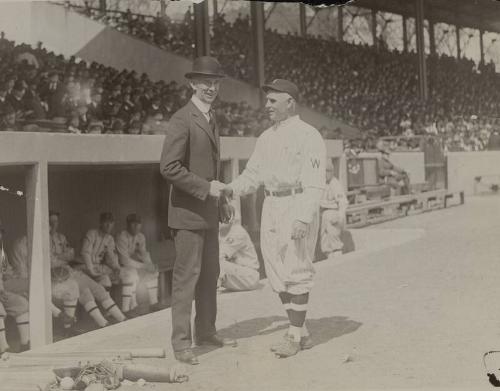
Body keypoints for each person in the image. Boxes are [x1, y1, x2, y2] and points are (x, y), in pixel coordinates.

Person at [221, 79, 326, 358]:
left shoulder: (309, 135)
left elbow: (315, 182)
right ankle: (301, 332)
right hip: (271, 204)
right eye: (267, 101)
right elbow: (252, 175)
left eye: (272, 101)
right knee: (277, 273)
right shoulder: (266, 137)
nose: (266, 106)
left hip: (296, 202)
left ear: (289, 102)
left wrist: (303, 218)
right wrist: (230, 188)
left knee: (297, 269)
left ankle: (293, 336)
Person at [160, 56, 237, 365]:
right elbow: (169, 167)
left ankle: (205, 331)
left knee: (209, 275)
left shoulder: (211, 117)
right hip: (187, 215)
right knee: (186, 279)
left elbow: (211, 167)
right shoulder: (182, 118)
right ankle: (181, 343)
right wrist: (206, 189)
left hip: (207, 211)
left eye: (216, 82)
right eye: (205, 82)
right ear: (192, 83)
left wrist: (220, 198)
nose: (211, 87)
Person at [50, 211, 125, 328]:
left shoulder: (61, 237)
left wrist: (59, 257)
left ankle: (107, 322)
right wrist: (62, 257)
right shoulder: (41, 239)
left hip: (68, 270)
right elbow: (50, 261)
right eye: (50, 221)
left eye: (55, 221)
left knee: (89, 290)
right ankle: (117, 319)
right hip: (55, 275)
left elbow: (70, 254)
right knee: (91, 288)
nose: (53, 224)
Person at [7, 235, 79, 333]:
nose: (49, 228)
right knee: (34, 287)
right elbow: (21, 273)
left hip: (43, 281)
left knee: (72, 285)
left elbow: (53, 261)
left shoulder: (46, 240)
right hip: (27, 282)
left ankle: (68, 327)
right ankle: (58, 314)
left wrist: (59, 271)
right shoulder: (20, 245)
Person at [115, 214, 163, 316]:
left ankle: (153, 303)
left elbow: (143, 254)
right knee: (131, 275)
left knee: (152, 272)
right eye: (133, 223)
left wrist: (150, 265)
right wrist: (145, 266)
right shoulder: (121, 236)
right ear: (128, 224)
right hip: (119, 266)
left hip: (133, 266)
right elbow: (124, 260)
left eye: (138, 224)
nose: (136, 226)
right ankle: (126, 310)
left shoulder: (140, 237)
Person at [0, 220, 30, 353]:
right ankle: (3, 348)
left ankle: (25, 344)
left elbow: (7, 271)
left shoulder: (1, 253)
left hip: (3, 289)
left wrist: (10, 276)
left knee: (21, 303)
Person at [218, 219, 260, 291]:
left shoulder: (237, 231)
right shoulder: (222, 232)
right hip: (239, 273)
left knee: (216, 263)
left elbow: (219, 256)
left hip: (249, 276)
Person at [320, 159, 348, 258]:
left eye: (327, 171)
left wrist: (340, 216)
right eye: (324, 171)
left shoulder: (335, 183)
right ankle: (329, 258)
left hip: (333, 212)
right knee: (324, 239)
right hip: (323, 213)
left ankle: (338, 258)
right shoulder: (322, 183)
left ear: (331, 172)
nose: (325, 174)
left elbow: (343, 202)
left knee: (333, 236)